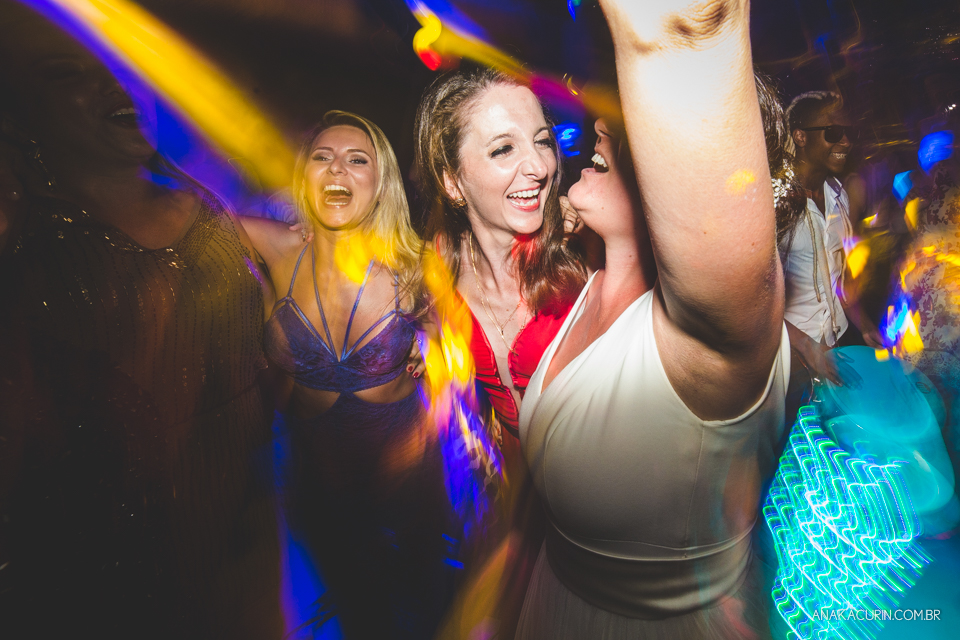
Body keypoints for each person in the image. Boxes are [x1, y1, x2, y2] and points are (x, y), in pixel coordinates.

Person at [0, 5, 281, 639]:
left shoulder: (211, 214)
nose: (113, 85)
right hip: (100, 581)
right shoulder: (31, 255)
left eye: (119, 65)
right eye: (65, 73)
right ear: (20, 115)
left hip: (240, 541)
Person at [516, 0, 788, 637]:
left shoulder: (707, 340)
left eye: (623, 117)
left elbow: (688, 24)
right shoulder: (589, 285)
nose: (599, 128)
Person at [239, 110, 456, 639]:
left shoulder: (416, 266)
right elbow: (186, 205)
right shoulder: (272, 246)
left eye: (357, 159)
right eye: (323, 157)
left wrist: (435, 384)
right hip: (317, 487)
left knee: (426, 615)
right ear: (305, 175)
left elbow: (459, 358)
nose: (338, 169)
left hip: (408, 487)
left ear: (379, 182)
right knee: (356, 620)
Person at [413, 66, 587, 636]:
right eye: (503, 149)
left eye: (541, 141)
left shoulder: (588, 252)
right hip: (513, 515)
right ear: (453, 181)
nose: (538, 166)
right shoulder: (434, 272)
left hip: (601, 509)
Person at [782, 90, 882, 390]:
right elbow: (749, 304)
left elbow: (837, 281)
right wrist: (808, 347)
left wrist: (864, 326)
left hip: (834, 349)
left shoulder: (839, 197)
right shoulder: (774, 204)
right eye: (834, 132)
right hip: (787, 359)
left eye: (849, 133)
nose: (846, 142)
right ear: (800, 137)